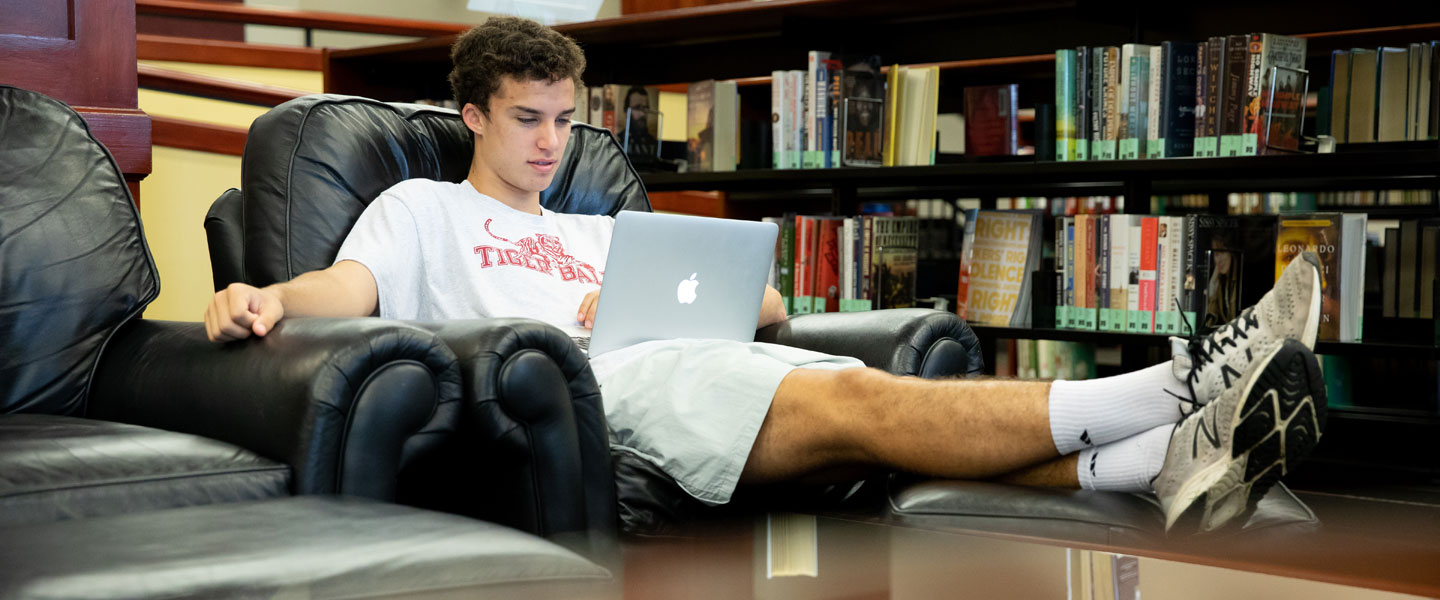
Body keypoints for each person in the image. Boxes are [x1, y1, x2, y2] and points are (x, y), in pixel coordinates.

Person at [203, 16, 1328, 535]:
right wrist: (265, 298)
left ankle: (1156, 463)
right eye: (527, 121)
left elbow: (773, 307)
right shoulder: (420, 208)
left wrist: (739, 287)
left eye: (565, 121)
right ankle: (1185, 382)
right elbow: (339, 296)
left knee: (859, 411)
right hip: (585, 390)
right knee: (854, 399)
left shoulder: (602, 225)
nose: (550, 143)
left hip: (681, 354)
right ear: (474, 118)